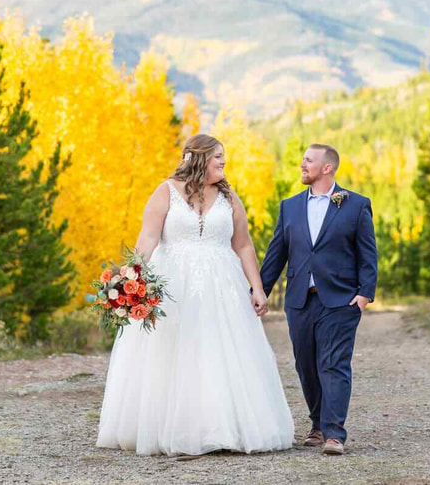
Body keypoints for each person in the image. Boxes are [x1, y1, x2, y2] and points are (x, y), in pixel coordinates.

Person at [96, 134, 293, 456]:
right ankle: (173, 428)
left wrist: (257, 288)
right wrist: (130, 278)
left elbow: (242, 245)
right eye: (218, 158)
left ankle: (223, 428)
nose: (223, 164)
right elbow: (147, 239)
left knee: (220, 352)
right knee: (175, 353)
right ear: (199, 158)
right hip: (174, 285)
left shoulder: (230, 198)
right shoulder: (165, 192)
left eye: (224, 159)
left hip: (222, 286)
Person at [259, 143, 377, 456]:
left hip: (340, 301)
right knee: (306, 364)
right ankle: (318, 423)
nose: (302, 164)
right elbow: (276, 254)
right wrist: (260, 290)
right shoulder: (290, 207)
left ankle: (334, 433)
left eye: (308, 160)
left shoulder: (356, 205)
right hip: (299, 301)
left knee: (334, 364)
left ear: (327, 168)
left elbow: (368, 253)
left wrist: (364, 294)